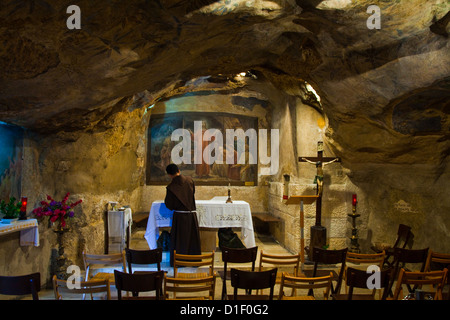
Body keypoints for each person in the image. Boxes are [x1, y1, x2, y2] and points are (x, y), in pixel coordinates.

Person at [164, 164, 201, 266]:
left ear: (169, 175)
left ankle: (180, 262)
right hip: (191, 216)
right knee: (192, 240)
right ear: (178, 171)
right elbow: (192, 193)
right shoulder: (190, 180)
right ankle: (193, 260)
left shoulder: (171, 187)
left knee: (180, 241)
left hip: (180, 218)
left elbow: (169, 205)